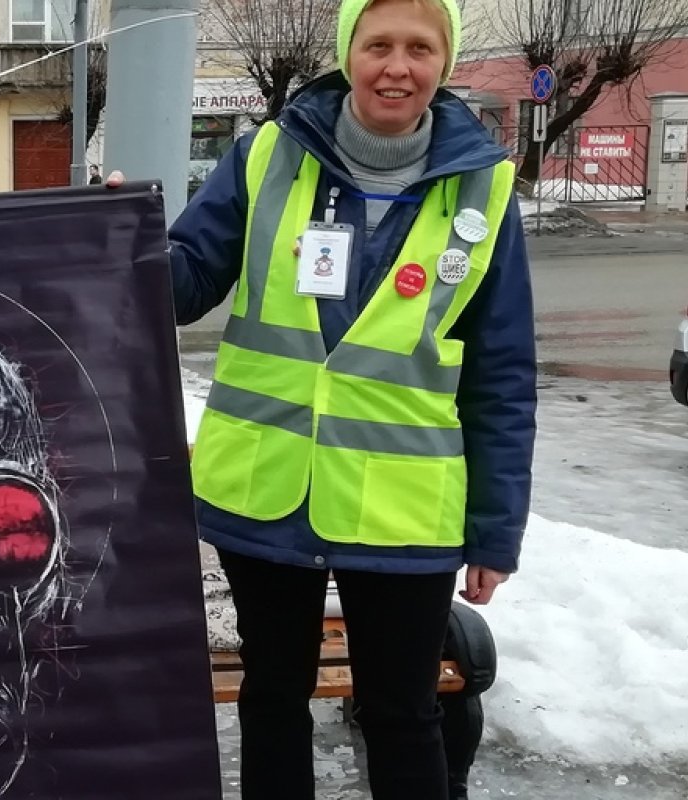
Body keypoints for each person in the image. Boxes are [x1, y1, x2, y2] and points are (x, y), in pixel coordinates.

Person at [113, 0, 534, 796]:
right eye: (378, 45)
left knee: (403, 712)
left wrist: (496, 530)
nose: (397, 67)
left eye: (420, 48)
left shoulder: (485, 188)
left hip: (406, 513)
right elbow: (188, 282)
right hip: (267, 491)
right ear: (348, 52)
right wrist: (121, 238)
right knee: (274, 697)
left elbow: (502, 376)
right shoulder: (269, 154)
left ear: (444, 62)